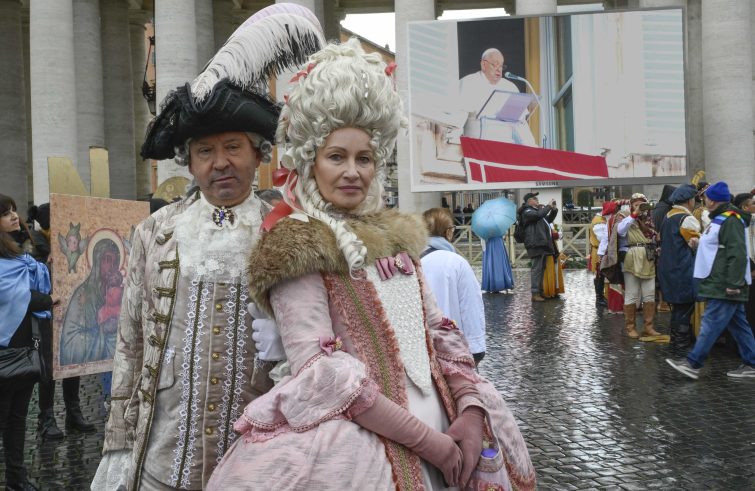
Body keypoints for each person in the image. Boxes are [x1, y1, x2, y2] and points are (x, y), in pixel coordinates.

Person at [208, 38, 535, 491]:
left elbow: (437, 331)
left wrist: (471, 410)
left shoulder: (396, 236)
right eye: (336, 157)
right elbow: (320, 371)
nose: (352, 171)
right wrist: (430, 443)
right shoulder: (297, 243)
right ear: (310, 162)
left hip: (447, 425)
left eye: (363, 158)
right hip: (365, 447)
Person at [91, 6, 325, 489]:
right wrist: (119, 440)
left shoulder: (288, 229)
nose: (220, 163)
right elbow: (130, 342)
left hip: (258, 460)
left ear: (257, 153)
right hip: (164, 461)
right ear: (189, 161)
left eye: (233, 147)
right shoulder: (153, 232)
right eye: (205, 151)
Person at [666, 182, 755, 379]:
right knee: (739, 325)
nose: (703, 200)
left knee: (711, 322)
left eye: (705, 197)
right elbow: (719, 246)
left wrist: (733, 283)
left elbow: (737, 253)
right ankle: (752, 363)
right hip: (722, 281)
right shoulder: (721, 219)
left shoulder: (730, 220)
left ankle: (693, 363)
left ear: (713, 200)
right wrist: (699, 243)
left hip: (724, 284)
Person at [26, 203, 95, 439]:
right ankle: (46, 418)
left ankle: (73, 413)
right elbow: (30, 282)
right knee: (49, 367)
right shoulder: (34, 244)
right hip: (46, 314)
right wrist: (48, 264)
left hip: (71, 310)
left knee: (72, 361)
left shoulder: (67, 242)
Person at [1, 194, 53, 491]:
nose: (13, 216)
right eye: (5, 213)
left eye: (13, 210)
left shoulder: (22, 255)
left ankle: (16, 479)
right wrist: (47, 300)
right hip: (4, 347)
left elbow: (30, 284)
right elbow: (13, 294)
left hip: (24, 345)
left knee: (18, 417)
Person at [421, 208, 486, 365]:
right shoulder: (457, 263)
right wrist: (476, 351)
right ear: (449, 232)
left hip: (420, 352)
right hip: (453, 351)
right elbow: (470, 307)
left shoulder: (408, 261)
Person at [458, 48, 536, 146]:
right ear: (483, 65)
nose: (499, 69)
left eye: (501, 66)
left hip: (506, 147)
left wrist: (533, 147)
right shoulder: (468, 83)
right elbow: (458, 119)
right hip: (477, 146)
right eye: (495, 64)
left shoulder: (510, 87)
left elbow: (520, 124)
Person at [657, 185, 700, 352]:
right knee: (684, 307)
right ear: (689, 200)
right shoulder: (686, 219)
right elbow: (695, 243)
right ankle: (681, 345)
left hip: (669, 267)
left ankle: (676, 342)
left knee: (677, 307)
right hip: (683, 268)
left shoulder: (669, 215)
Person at [617, 193, 662, 338]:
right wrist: (634, 214)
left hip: (648, 256)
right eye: (636, 205)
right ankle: (630, 327)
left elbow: (654, 236)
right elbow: (620, 231)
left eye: (642, 205)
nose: (640, 208)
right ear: (631, 206)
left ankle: (648, 327)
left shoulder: (648, 221)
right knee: (631, 293)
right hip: (632, 255)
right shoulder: (625, 217)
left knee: (649, 293)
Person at [519, 192, 557, 302]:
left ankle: (540, 291)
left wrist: (553, 209)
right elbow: (538, 215)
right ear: (529, 201)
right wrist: (548, 206)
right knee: (536, 269)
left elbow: (548, 220)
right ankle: (535, 293)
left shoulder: (536, 211)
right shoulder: (527, 211)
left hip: (541, 243)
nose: (537, 199)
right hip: (534, 243)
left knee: (541, 268)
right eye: (534, 198)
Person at [732, 192, 755, 334]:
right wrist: (750, 267)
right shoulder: (739, 223)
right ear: (744, 207)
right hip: (745, 270)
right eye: (753, 203)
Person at [589, 202, 613, 307]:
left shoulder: (602, 220)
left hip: (602, 250)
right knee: (600, 274)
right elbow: (602, 238)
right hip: (599, 251)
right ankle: (599, 298)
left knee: (602, 275)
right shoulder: (599, 221)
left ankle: (603, 297)